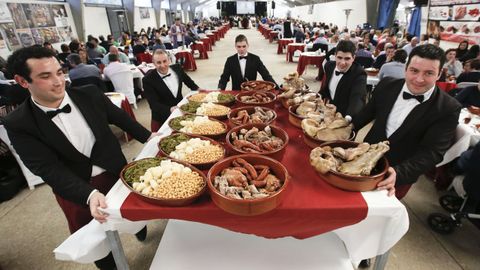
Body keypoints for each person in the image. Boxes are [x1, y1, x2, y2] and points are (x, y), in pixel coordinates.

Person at [2, 46, 154, 269]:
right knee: (93, 239)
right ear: (23, 81)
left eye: (60, 72)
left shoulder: (90, 93)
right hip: (75, 187)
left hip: (115, 172)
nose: (58, 81)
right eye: (45, 76)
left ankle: (140, 229)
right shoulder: (18, 122)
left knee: (135, 214)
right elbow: (46, 168)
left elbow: (123, 120)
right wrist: (89, 194)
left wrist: (153, 140)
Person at [352, 44, 461, 200]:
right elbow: (364, 115)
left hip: (400, 173)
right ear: (406, 68)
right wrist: (343, 129)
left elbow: (432, 152)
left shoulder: (448, 107)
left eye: (429, 73)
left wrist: (399, 173)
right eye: (414, 70)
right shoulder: (387, 85)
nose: (419, 79)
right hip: (363, 158)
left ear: (439, 74)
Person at [143, 49, 202, 131]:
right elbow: (153, 104)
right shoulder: (148, 79)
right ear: (154, 63)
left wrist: (199, 89)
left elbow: (189, 82)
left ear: (169, 60)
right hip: (163, 116)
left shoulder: (177, 68)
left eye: (164, 61)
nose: (163, 65)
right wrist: (170, 109)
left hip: (181, 110)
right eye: (159, 63)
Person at [320, 40, 367, 117]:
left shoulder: (359, 74)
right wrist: (318, 95)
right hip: (330, 111)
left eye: (347, 59)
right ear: (335, 56)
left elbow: (358, 98)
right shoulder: (329, 66)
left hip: (345, 115)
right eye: (339, 57)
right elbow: (328, 88)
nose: (342, 63)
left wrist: (348, 118)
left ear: (353, 58)